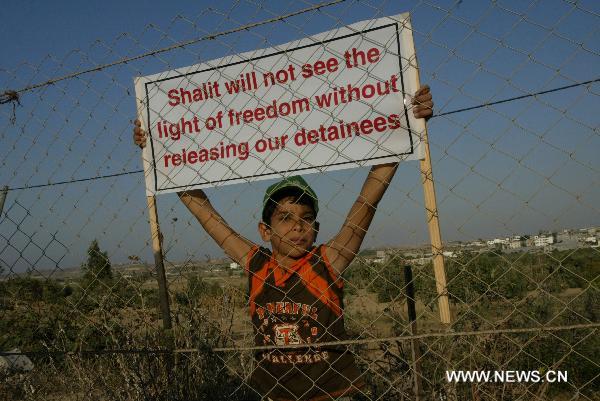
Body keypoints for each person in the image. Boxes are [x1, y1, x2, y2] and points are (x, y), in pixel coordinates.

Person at [134, 85, 433, 400]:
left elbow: (366, 200)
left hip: (331, 395)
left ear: (316, 229)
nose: (297, 227)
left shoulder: (327, 263)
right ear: (265, 231)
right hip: (271, 394)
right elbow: (205, 214)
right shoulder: (257, 265)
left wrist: (407, 125)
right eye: (285, 218)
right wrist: (159, 153)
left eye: (305, 218)